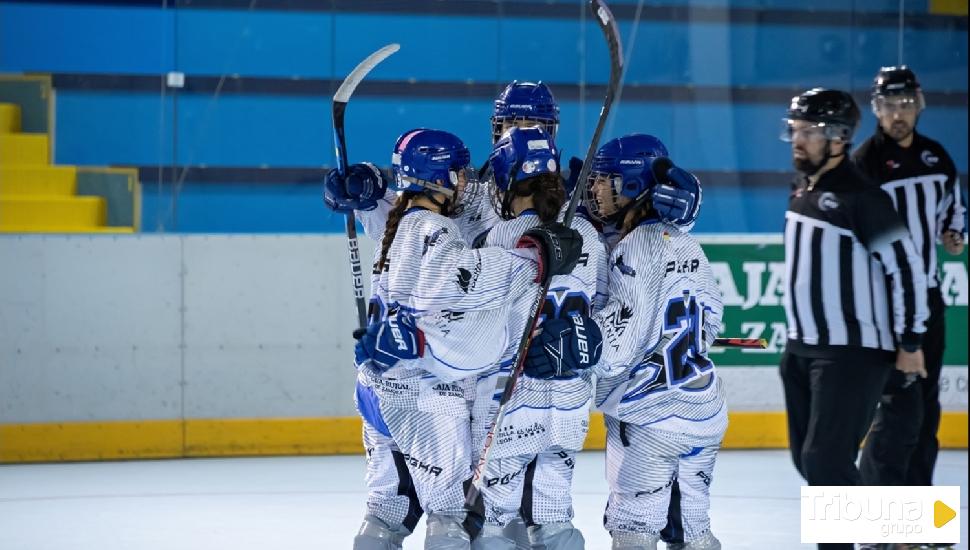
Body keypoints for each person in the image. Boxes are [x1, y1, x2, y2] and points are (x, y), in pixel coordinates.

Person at [328, 128, 583, 549]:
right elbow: (459, 285)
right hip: (424, 392)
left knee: (386, 509)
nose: (466, 178)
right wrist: (531, 259)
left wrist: (371, 192)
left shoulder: (398, 228)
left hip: (381, 384)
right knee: (450, 519)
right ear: (440, 176)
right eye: (459, 171)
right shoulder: (433, 228)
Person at [521, 133, 723, 549]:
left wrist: (579, 337)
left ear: (632, 186)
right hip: (701, 410)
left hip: (650, 417)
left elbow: (619, 344)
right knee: (691, 528)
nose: (593, 189)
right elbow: (712, 320)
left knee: (635, 530)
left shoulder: (636, 247)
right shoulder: (686, 242)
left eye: (604, 180)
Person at [778, 88, 929, 550]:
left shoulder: (862, 197)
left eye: (808, 132)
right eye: (795, 131)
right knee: (811, 463)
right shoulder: (805, 189)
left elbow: (907, 268)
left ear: (839, 138)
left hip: (852, 354)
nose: (797, 140)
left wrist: (910, 342)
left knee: (824, 461)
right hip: (802, 349)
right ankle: (890, 531)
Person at [468, 125, 607, 550]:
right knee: (554, 520)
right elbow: (597, 307)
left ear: (508, 179)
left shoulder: (494, 239)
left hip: (511, 403)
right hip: (569, 406)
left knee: (492, 523)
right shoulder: (590, 237)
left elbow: (473, 326)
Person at [853, 66, 966, 489]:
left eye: (905, 104)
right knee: (890, 411)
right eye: (888, 106)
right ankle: (875, 518)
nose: (897, 114)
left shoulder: (937, 158)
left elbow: (954, 213)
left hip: (928, 300)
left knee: (925, 409)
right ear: (876, 110)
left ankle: (914, 516)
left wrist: (955, 234)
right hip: (880, 304)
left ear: (918, 105)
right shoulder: (864, 163)